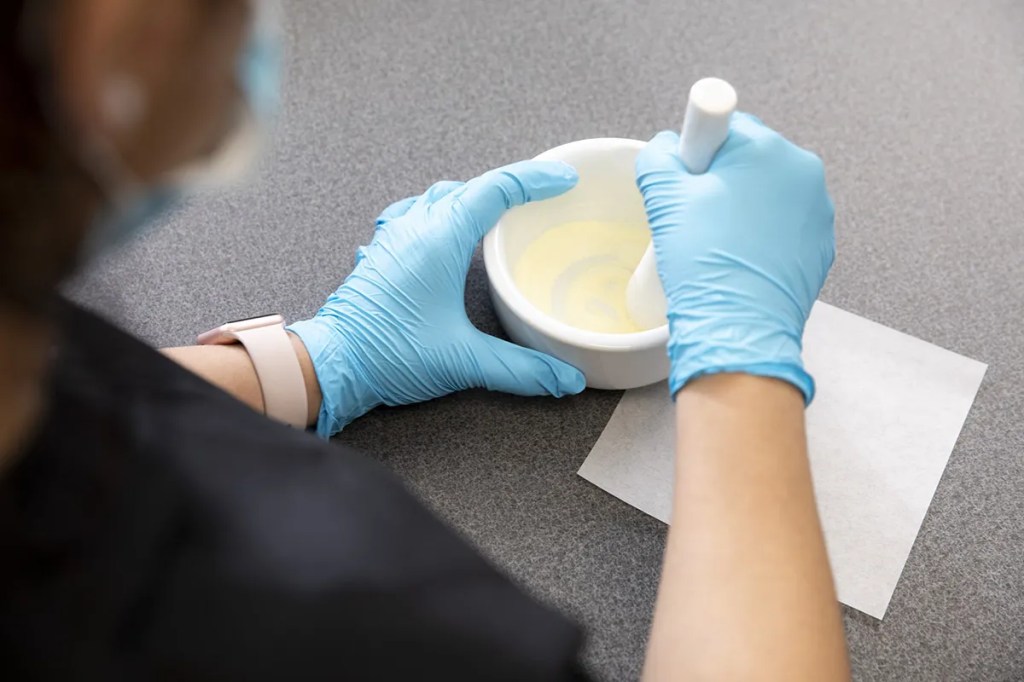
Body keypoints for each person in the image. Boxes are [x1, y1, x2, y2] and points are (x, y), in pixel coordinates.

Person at [0, 0, 850, 680]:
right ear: (114, 33)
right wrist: (744, 372)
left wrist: (317, 362)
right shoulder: (346, 622)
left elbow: (79, 395)